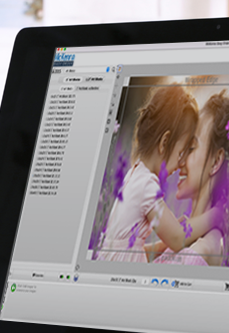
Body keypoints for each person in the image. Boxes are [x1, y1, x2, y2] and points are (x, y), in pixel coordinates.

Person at [93, 84, 222, 262]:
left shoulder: (135, 174)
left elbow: (131, 250)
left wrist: (162, 246)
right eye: (181, 151)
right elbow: (178, 239)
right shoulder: (147, 185)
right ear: (164, 143)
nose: (181, 162)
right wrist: (214, 216)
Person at [153, 90, 229, 267]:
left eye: (191, 147)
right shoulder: (189, 236)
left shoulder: (197, 253)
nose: (179, 160)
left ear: (216, 162)